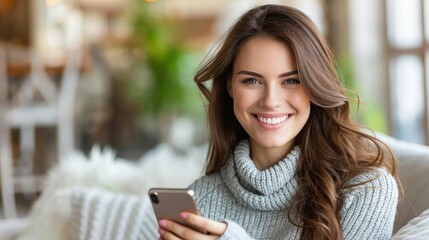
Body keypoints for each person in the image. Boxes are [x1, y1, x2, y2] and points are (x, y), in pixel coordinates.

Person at [151, 4, 399, 240]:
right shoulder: (201, 200)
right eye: (252, 81)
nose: (271, 101)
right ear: (229, 86)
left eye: (291, 80)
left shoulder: (366, 189)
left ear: (316, 86)